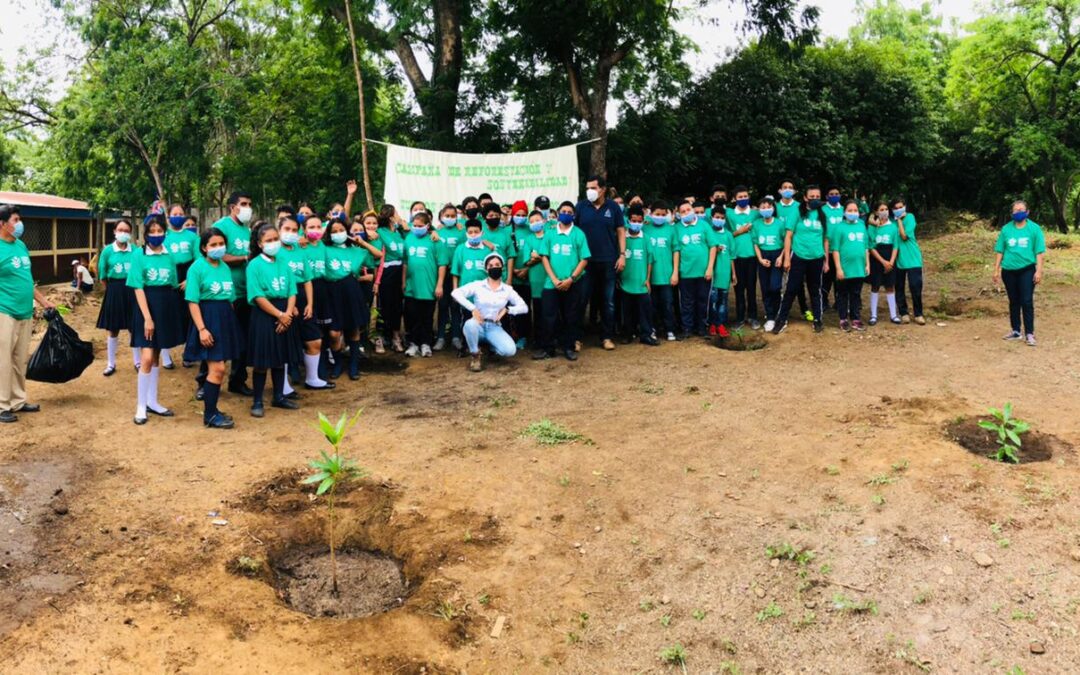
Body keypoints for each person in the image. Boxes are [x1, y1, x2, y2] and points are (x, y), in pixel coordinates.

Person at [0, 204, 55, 424]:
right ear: (2, 224)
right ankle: (2, 404)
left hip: (25, 311)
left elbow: (27, 281)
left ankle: (18, 400)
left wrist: (43, 301)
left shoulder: (21, 246)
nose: (19, 224)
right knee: (2, 360)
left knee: (20, 359)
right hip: (4, 312)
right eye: (15, 220)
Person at [183, 228, 242, 429]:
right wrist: (201, 329)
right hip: (207, 319)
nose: (218, 248)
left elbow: (230, 297)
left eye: (221, 244)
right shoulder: (196, 268)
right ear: (204, 248)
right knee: (217, 369)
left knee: (218, 368)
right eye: (213, 245)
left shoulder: (225, 267)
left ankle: (213, 410)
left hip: (225, 318)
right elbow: (192, 301)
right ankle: (209, 415)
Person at [129, 215, 183, 425]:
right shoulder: (138, 255)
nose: (156, 235)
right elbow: (137, 287)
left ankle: (153, 401)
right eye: (152, 232)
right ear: (146, 234)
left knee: (158, 352)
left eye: (160, 231)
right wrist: (147, 318)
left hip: (165, 305)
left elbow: (173, 284)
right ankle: (141, 406)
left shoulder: (169, 256)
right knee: (147, 355)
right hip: (146, 307)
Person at [246, 222, 299, 417]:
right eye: (268, 240)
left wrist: (288, 313)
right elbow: (257, 295)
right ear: (260, 243)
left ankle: (279, 396)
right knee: (262, 360)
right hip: (265, 315)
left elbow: (292, 290)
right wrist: (280, 315)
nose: (273, 243)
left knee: (280, 359)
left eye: (275, 239)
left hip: (285, 312)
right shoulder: (254, 265)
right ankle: (257, 400)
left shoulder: (283, 262)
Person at [278, 215, 335, 390]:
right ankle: (284, 386)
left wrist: (310, 304)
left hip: (303, 298)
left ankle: (312, 378)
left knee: (314, 340)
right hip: (284, 300)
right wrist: (290, 305)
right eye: (287, 229)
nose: (291, 233)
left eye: (294, 230)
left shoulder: (300, 250)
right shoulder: (275, 253)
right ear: (279, 230)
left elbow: (308, 279)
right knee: (285, 344)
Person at [452, 253, 529, 371]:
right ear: (486, 268)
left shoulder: (507, 290)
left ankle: (490, 346)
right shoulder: (478, 285)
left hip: (494, 326)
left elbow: (524, 307)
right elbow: (456, 293)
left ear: (502, 267)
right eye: (491, 265)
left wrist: (508, 309)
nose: (494, 267)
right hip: (478, 324)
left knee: (509, 350)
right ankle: (475, 354)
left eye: (497, 265)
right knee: (469, 325)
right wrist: (472, 308)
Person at [574, 175, 626, 351]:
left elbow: (620, 231)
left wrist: (622, 255)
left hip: (608, 261)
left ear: (603, 189)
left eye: (593, 188)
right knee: (581, 300)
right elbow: (573, 232)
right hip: (585, 263)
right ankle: (577, 338)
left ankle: (607, 337)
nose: (590, 191)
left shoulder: (613, 207)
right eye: (587, 188)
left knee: (608, 301)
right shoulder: (581, 207)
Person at [534, 202, 590, 361]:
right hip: (551, 283)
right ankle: (547, 348)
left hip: (572, 283)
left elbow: (584, 259)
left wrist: (571, 279)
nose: (566, 213)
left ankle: (569, 347)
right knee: (548, 316)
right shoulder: (550, 234)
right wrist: (553, 278)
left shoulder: (579, 234)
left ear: (574, 215)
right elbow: (544, 256)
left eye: (569, 211)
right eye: (563, 211)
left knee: (571, 316)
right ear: (557, 214)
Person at [212, 191, 255, 395]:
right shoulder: (221, 227)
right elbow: (217, 255)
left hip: (246, 293)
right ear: (232, 207)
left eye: (249, 204)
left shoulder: (247, 230)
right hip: (226, 293)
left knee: (243, 339)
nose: (247, 208)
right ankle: (206, 382)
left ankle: (238, 381)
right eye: (243, 204)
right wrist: (244, 258)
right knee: (218, 337)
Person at [773, 185, 828, 334]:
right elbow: (788, 236)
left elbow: (825, 240)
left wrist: (826, 260)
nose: (815, 199)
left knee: (815, 290)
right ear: (805, 198)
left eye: (818, 196)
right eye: (812, 196)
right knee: (791, 289)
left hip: (816, 258)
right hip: (798, 256)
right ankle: (781, 320)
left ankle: (818, 319)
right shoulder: (797, 213)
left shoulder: (822, 215)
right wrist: (786, 258)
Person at [322, 217, 371, 379]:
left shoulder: (355, 250)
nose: (338, 234)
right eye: (334, 231)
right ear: (328, 233)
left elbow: (378, 255)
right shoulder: (324, 248)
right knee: (334, 333)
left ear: (347, 231)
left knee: (353, 329)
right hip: (331, 292)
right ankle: (338, 364)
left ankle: (354, 365)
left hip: (351, 290)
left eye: (341, 230)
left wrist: (362, 242)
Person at [993, 200, 1045, 347]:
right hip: (1009, 271)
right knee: (1014, 301)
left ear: (1027, 212)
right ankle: (1016, 330)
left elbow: (1039, 252)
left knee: (1026, 301)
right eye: (1015, 210)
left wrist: (1039, 271)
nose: (1018, 212)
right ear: (1012, 213)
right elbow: (1000, 250)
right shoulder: (1006, 229)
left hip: (1027, 270)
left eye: (1021, 209)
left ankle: (1029, 333)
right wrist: (996, 269)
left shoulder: (1034, 229)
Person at [402, 211, 447, 357]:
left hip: (428, 286)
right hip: (411, 286)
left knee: (427, 317)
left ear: (428, 226)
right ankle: (413, 344)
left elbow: (442, 264)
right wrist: (403, 281)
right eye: (414, 225)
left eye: (420, 226)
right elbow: (405, 262)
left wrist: (439, 285)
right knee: (412, 316)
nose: (416, 228)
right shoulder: (408, 238)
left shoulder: (435, 241)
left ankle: (426, 344)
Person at [96, 219, 137, 375]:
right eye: (120, 230)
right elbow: (102, 275)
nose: (123, 233)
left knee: (134, 328)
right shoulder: (107, 251)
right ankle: (111, 364)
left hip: (132, 290)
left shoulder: (135, 250)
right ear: (114, 231)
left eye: (127, 231)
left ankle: (137, 362)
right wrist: (112, 290)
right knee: (113, 329)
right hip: (114, 290)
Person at [673, 200, 715, 338]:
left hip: (704, 272)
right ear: (679, 214)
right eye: (683, 211)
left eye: (688, 210)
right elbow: (676, 250)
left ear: (693, 210)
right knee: (686, 302)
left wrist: (709, 268)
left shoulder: (704, 225)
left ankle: (702, 328)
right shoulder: (677, 228)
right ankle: (687, 329)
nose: (686, 213)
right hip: (685, 273)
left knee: (703, 301)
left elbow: (713, 246)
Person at [165, 204, 200, 368]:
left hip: (189, 274)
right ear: (168, 216)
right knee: (167, 314)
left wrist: (190, 280)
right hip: (169, 275)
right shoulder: (163, 236)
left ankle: (189, 353)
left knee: (189, 315)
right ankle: (165, 355)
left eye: (181, 214)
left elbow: (199, 260)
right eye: (175, 213)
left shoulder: (193, 237)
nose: (178, 216)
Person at [619, 205, 658, 345]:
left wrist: (647, 279)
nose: (636, 223)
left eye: (639, 221)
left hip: (641, 283)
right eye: (633, 220)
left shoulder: (646, 238)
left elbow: (650, 260)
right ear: (628, 220)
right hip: (625, 282)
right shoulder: (623, 238)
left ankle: (646, 334)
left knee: (644, 311)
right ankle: (628, 334)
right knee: (627, 312)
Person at [829, 200, 870, 332]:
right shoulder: (839, 227)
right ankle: (843, 319)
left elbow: (866, 247)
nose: (853, 213)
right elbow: (835, 249)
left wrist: (867, 264)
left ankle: (856, 319)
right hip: (844, 269)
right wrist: (838, 268)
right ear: (844, 212)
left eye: (855, 210)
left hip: (859, 268)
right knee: (842, 294)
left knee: (856, 294)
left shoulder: (862, 225)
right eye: (850, 210)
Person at [776, 179, 810, 320]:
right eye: (785, 187)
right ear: (780, 190)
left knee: (797, 281)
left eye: (790, 187)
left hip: (794, 248)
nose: (788, 189)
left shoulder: (799, 207)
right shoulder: (775, 207)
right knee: (779, 282)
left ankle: (804, 309)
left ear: (795, 191)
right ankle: (779, 310)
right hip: (777, 247)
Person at [514, 210, 549, 347]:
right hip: (534, 281)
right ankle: (538, 340)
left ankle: (550, 339)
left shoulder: (550, 236)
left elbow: (552, 256)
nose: (535, 223)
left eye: (538, 220)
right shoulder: (529, 239)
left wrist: (538, 256)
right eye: (532, 221)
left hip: (549, 279)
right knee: (538, 311)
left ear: (544, 221)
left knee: (549, 311)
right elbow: (527, 261)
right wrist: (542, 257)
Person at [374, 208, 406, 353]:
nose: (399, 216)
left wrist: (405, 226)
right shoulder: (380, 232)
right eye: (397, 213)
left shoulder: (400, 232)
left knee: (398, 305)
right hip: (386, 272)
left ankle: (396, 335)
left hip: (401, 271)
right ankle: (382, 336)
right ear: (391, 217)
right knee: (385, 305)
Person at [434, 203, 465, 351]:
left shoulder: (461, 232)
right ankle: (440, 337)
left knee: (456, 306)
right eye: (447, 216)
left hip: (456, 275)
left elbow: (464, 252)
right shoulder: (436, 232)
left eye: (453, 216)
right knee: (443, 306)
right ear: (441, 217)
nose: (450, 218)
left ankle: (456, 337)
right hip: (441, 275)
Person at [752, 197, 785, 332]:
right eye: (763, 207)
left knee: (775, 287)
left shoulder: (779, 224)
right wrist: (760, 259)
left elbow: (786, 242)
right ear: (759, 210)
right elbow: (755, 243)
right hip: (763, 257)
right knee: (765, 288)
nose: (766, 210)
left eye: (768, 207)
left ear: (773, 208)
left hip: (777, 255)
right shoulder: (756, 224)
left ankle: (778, 313)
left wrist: (781, 257)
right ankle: (770, 317)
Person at [728, 186, 759, 328]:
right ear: (734, 199)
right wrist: (739, 232)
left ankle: (753, 317)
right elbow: (726, 235)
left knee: (751, 288)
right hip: (737, 257)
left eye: (745, 196)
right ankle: (740, 318)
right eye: (740, 197)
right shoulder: (729, 215)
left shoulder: (754, 214)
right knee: (738, 289)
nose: (743, 199)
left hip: (752, 256)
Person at [647, 200, 678, 341]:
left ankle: (669, 329)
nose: (659, 216)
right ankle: (652, 329)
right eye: (657, 214)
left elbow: (676, 251)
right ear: (650, 214)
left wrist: (675, 272)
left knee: (667, 304)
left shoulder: (671, 229)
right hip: (650, 277)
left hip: (667, 275)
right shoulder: (645, 229)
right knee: (651, 305)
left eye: (662, 214)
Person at [866, 202, 901, 325]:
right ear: (876, 212)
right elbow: (871, 246)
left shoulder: (893, 226)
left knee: (890, 286)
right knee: (875, 286)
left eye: (886, 209)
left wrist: (890, 262)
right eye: (881, 209)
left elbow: (896, 245)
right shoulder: (872, 228)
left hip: (890, 259)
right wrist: (882, 261)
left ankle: (893, 315)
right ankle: (873, 315)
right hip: (877, 260)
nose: (885, 211)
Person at [893, 197, 925, 326]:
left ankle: (918, 314)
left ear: (905, 206)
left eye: (900, 207)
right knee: (899, 287)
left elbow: (904, 236)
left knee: (915, 287)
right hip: (898, 259)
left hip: (913, 259)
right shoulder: (890, 222)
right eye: (895, 208)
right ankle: (903, 313)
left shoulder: (910, 217)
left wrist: (899, 220)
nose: (898, 210)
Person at [707, 208, 736, 338]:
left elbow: (731, 256)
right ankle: (712, 324)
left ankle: (721, 324)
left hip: (725, 274)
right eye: (717, 217)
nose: (719, 220)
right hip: (712, 274)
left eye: (722, 218)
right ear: (712, 217)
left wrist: (733, 273)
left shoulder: (728, 235)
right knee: (712, 300)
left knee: (723, 301)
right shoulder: (708, 232)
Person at [508, 200, 532, 349]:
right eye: (518, 214)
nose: (521, 217)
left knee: (525, 308)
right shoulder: (506, 231)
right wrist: (513, 271)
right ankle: (512, 335)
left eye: (524, 214)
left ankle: (524, 336)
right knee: (511, 310)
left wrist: (526, 270)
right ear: (512, 214)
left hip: (528, 277)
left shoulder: (531, 230)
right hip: (511, 278)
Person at [820, 186, 845, 310]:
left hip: (841, 250)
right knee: (826, 277)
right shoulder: (822, 210)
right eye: (831, 194)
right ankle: (824, 301)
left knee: (839, 277)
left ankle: (839, 301)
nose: (834, 195)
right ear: (826, 196)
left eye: (837, 193)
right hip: (826, 249)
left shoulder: (844, 210)